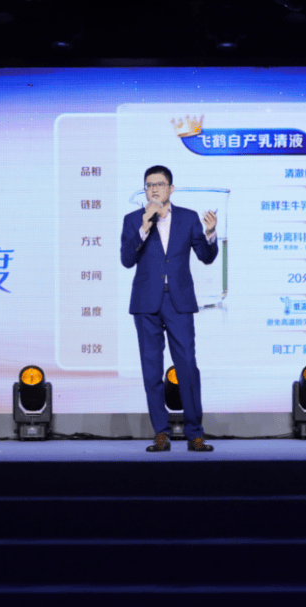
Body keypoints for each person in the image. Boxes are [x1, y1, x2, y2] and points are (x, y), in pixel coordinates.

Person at [120, 165, 218, 452]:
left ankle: (195, 433)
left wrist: (211, 234)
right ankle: (160, 433)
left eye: (159, 184)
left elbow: (206, 257)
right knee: (151, 371)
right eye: (149, 185)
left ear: (171, 189)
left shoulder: (188, 218)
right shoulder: (133, 220)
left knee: (187, 367)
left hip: (179, 301)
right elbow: (126, 260)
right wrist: (144, 227)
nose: (154, 189)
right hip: (146, 302)